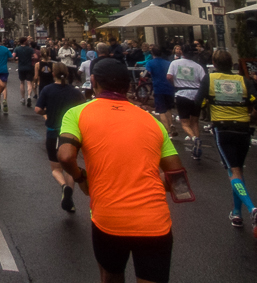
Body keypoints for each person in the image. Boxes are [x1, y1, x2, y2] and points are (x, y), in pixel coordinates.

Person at [58, 59, 184, 283]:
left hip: (109, 217)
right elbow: (178, 178)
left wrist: (80, 178)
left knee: (111, 276)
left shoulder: (77, 114)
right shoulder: (151, 121)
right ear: (128, 85)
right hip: (155, 221)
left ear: (93, 81)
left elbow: (66, 155)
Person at [194, 49, 257, 235]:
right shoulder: (243, 80)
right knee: (238, 169)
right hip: (243, 128)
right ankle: (236, 213)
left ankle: (252, 208)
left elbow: (198, 102)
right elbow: (255, 101)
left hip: (222, 128)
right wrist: (250, 115)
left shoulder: (210, 79)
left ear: (214, 62)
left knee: (233, 171)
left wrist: (210, 104)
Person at [34, 62, 84, 212]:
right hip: (71, 133)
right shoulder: (75, 92)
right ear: (68, 74)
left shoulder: (48, 90)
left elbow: (38, 109)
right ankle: (69, 198)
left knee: (56, 168)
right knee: (69, 165)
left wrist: (46, 113)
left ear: (53, 74)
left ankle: (63, 187)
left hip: (53, 131)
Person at [165, 50, 206, 159]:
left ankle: (194, 138)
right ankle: (196, 147)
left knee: (184, 123)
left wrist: (175, 84)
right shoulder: (198, 66)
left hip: (182, 94)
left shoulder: (175, 63)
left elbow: (169, 76)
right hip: (196, 95)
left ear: (182, 53)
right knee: (195, 122)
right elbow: (204, 80)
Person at [143, 45, 176, 138]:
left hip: (158, 88)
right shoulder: (168, 63)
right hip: (169, 88)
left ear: (152, 53)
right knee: (169, 109)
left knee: (161, 111)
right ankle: (171, 124)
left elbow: (146, 74)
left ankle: (168, 131)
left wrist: (143, 74)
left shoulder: (150, 63)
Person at [14, 37, 35, 106]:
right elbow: (36, 56)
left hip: (21, 67)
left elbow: (13, 56)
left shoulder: (17, 48)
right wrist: (31, 57)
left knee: (22, 83)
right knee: (29, 83)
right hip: (29, 67)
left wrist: (17, 58)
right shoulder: (30, 49)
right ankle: (29, 96)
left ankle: (23, 98)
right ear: (24, 41)